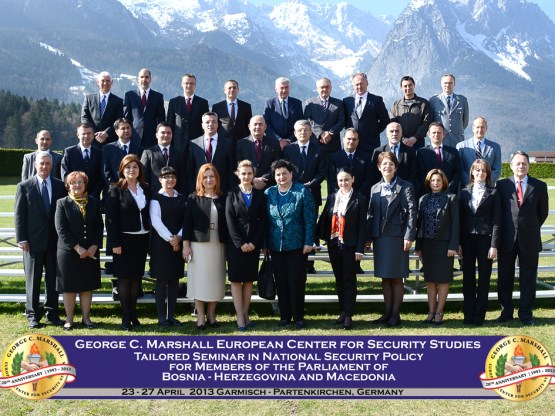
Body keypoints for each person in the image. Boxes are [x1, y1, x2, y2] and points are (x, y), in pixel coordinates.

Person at [496, 151, 548, 326]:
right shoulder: (502, 185)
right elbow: (498, 213)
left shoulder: (539, 186)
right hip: (507, 239)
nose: (521, 166)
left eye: (524, 163)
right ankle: (506, 311)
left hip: (530, 239)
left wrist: (529, 227)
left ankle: (526, 313)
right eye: (517, 163)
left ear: (528, 165)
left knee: (528, 278)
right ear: (511, 166)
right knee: (505, 277)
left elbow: (543, 213)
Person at [15, 151, 67, 328]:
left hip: (54, 242)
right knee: (33, 280)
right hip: (32, 243)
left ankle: (52, 313)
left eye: (47, 163)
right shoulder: (24, 186)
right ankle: (32, 315)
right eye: (41, 163)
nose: (44, 166)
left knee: (53, 280)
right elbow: (19, 216)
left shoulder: (60, 186)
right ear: (35, 165)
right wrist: (22, 239)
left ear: (52, 165)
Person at [265, 159, 316, 329]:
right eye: (278, 174)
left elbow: (309, 218)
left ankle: (299, 317)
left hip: (297, 245)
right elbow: (264, 221)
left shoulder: (302, 191)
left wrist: (309, 241)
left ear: (291, 174)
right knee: (280, 281)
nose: (281, 177)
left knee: (296, 281)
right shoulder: (269, 193)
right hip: (276, 246)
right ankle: (285, 316)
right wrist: (265, 244)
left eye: (284, 173)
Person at [368, 152, 417, 327]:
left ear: (395, 167)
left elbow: (412, 212)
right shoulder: (374, 188)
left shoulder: (406, 186)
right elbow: (371, 214)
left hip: (398, 237)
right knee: (385, 277)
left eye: (390, 164)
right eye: (383, 164)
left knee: (397, 277)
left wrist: (409, 236)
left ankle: (396, 315)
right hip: (380, 238)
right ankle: (387, 313)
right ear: (379, 167)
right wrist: (368, 237)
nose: (387, 167)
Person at [317, 167, 367, 330]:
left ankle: (349, 315)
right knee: (339, 280)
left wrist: (360, 249)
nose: (343, 183)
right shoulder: (332, 197)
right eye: (340, 180)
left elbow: (362, 226)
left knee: (349, 280)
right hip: (334, 244)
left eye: (346, 179)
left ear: (353, 179)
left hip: (351, 246)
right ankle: (343, 312)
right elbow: (325, 217)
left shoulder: (359, 198)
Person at [106, 154, 151, 330]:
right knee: (124, 279)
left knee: (136, 279)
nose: (132, 170)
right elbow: (111, 220)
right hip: (123, 241)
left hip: (141, 239)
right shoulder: (115, 189)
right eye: (128, 167)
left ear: (140, 170)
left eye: (135, 167)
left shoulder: (145, 188)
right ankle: (125, 316)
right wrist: (115, 243)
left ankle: (134, 314)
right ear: (122, 170)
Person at [55, 171, 103, 330]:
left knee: (86, 285)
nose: (77, 185)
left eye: (80, 182)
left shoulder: (94, 202)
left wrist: (94, 247)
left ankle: (86, 318)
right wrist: (77, 248)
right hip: (69, 252)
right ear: (68, 185)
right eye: (73, 182)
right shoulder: (62, 203)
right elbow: (61, 229)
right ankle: (69, 319)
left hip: (90, 252)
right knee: (69, 287)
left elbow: (99, 226)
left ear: (85, 185)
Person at [182, 164, 227, 330]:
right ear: (200, 179)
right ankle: (200, 316)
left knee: (215, 280)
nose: (209, 180)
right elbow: (187, 224)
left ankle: (212, 315)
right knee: (199, 281)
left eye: (212, 176)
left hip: (218, 245)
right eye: (205, 177)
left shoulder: (223, 197)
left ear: (216, 179)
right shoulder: (193, 198)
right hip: (198, 246)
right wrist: (186, 246)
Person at [225, 160, 267, 331]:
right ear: (238, 174)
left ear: (253, 175)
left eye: (249, 173)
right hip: (236, 245)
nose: (247, 176)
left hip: (253, 244)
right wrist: (241, 243)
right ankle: (239, 316)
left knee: (249, 280)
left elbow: (263, 221)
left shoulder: (260, 196)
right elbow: (230, 221)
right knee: (236, 280)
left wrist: (254, 242)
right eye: (243, 173)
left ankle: (246, 313)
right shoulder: (231, 195)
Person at [458, 159, 500, 326]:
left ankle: (479, 316)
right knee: (468, 278)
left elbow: (497, 220)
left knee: (484, 279)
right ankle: (468, 315)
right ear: (472, 173)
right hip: (467, 239)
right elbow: (460, 220)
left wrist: (494, 245)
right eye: (477, 170)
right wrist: (458, 243)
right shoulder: (464, 192)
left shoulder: (494, 193)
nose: (480, 173)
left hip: (485, 240)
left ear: (487, 174)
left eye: (484, 171)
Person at [415, 169, 459, 325]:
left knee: (443, 280)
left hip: (444, 245)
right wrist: (419, 247)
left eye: (438, 180)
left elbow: (455, 224)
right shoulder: (423, 199)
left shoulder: (451, 199)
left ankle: (440, 312)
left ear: (443, 182)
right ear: (429, 182)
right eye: (433, 180)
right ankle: (431, 312)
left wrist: (453, 246)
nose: (435, 183)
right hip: (428, 245)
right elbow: (419, 226)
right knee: (430, 281)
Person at [149, 166, 185, 328]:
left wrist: (179, 237)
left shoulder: (181, 197)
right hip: (161, 246)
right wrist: (172, 240)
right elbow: (156, 222)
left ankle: (171, 316)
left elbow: (186, 220)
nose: (170, 179)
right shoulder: (156, 198)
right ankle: (161, 317)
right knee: (162, 281)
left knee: (174, 281)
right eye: (166, 177)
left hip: (178, 243)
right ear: (160, 179)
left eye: (172, 176)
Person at [188, 112, 234, 194]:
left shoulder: (228, 144)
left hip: (222, 191)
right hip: (200, 191)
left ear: (218, 124)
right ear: (202, 125)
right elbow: (191, 170)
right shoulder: (194, 143)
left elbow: (231, 170)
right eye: (207, 122)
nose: (210, 124)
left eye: (214, 122)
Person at [343, 72, 389, 153]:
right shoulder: (347, 101)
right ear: (353, 85)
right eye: (357, 84)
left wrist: (373, 131)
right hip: (352, 144)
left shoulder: (376, 100)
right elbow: (344, 119)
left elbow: (385, 120)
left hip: (371, 144)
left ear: (367, 83)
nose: (359, 86)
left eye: (362, 83)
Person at [235, 115, 282, 190]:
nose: (257, 127)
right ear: (249, 126)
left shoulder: (274, 143)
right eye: (255, 124)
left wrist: (263, 178)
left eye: (260, 124)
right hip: (248, 186)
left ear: (265, 127)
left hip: (268, 186)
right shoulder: (241, 144)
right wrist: (253, 179)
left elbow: (277, 164)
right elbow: (239, 165)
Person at [167, 73, 210, 155]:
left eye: (191, 83)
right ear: (182, 84)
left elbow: (205, 125)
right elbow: (170, 124)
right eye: (186, 83)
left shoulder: (203, 103)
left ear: (195, 85)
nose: (189, 85)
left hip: (197, 144)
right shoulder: (174, 102)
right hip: (178, 145)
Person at [123, 68, 165, 150]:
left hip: (152, 138)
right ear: (138, 79)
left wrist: (160, 135)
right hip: (134, 137)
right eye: (141, 77)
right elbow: (126, 118)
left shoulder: (158, 97)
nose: (144, 79)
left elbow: (161, 119)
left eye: (146, 77)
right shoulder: (130, 95)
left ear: (150, 79)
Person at [416, 122, 461, 197]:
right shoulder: (421, 152)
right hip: (428, 194)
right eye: (434, 132)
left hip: (449, 195)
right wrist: (432, 189)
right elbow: (420, 174)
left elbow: (457, 173)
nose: (436, 135)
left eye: (439, 132)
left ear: (444, 134)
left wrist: (448, 189)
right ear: (429, 134)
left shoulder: (453, 152)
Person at [140, 122, 186, 194]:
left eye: (169, 133)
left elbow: (182, 177)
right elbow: (143, 177)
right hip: (154, 196)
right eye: (163, 132)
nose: (166, 135)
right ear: (157, 135)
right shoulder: (148, 152)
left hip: (174, 196)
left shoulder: (179, 154)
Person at [61, 123, 104, 199]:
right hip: (74, 196)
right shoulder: (69, 152)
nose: (86, 136)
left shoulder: (99, 153)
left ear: (93, 135)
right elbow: (65, 175)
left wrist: (93, 194)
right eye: (83, 133)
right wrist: (75, 192)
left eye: (89, 133)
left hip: (93, 198)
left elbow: (101, 176)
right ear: (78, 135)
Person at [81, 71, 123, 148]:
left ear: (111, 82)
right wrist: (95, 133)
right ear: (97, 82)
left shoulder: (119, 101)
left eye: (107, 81)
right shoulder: (88, 98)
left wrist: (106, 133)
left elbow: (119, 121)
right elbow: (85, 118)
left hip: (111, 142)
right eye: (102, 81)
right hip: (92, 141)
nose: (105, 83)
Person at [303, 77, 345, 154]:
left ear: (331, 88)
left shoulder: (339, 103)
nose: (325, 89)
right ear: (317, 88)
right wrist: (320, 133)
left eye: (327, 87)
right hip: (315, 143)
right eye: (322, 87)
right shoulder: (310, 103)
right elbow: (307, 119)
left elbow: (342, 121)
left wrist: (329, 133)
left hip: (333, 143)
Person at [456, 116, 502, 186]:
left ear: (486, 128)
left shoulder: (495, 147)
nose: (480, 130)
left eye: (482, 127)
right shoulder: (461, 146)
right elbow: (459, 169)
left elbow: (497, 170)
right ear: (473, 128)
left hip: (487, 189)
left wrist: (484, 182)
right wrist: (471, 182)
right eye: (477, 127)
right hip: (466, 188)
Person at [327, 128, 373, 196]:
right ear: (343, 139)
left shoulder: (366, 158)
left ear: (358, 141)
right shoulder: (333, 158)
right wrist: (342, 194)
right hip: (339, 197)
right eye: (349, 139)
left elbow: (369, 179)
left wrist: (357, 195)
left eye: (354, 139)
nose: (351, 141)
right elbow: (331, 180)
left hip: (360, 198)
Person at [389, 76, 431, 150]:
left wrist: (415, 137)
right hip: (400, 143)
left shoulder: (423, 103)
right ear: (401, 87)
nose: (408, 88)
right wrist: (402, 138)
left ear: (414, 85)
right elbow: (392, 122)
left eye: (410, 85)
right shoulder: (396, 105)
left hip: (418, 143)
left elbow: (426, 122)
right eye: (405, 86)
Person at [371, 122, 417, 188]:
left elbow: (413, 172)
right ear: (387, 134)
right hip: (384, 189)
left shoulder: (410, 151)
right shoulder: (378, 152)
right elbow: (374, 173)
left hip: (405, 189)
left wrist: (406, 187)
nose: (394, 134)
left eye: (397, 131)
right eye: (391, 131)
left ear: (401, 134)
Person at [429, 74, 469, 148]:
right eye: (445, 83)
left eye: (450, 83)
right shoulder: (434, 100)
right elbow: (431, 121)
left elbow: (465, 121)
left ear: (454, 84)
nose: (447, 85)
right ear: (441, 84)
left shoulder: (462, 100)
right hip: (441, 140)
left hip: (457, 139)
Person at [263, 77, 304, 150]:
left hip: (293, 144)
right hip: (274, 144)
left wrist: (289, 140)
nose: (284, 90)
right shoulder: (269, 104)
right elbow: (266, 125)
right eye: (281, 88)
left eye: (286, 87)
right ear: (276, 89)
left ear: (289, 88)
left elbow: (300, 123)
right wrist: (279, 140)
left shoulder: (297, 103)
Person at [212, 80, 253, 145]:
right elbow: (215, 125)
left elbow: (249, 125)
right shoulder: (217, 107)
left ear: (238, 90)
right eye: (229, 88)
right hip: (223, 143)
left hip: (242, 142)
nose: (232, 90)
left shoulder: (246, 106)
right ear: (224, 90)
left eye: (234, 88)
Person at [103, 118, 141, 186]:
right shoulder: (108, 149)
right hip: (114, 188)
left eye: (128, 128)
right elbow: (106, 171)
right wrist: (116, 186)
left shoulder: (140, 149)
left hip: (134, 188)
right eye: (123, 128)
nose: (126, 130)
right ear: (116, 131)